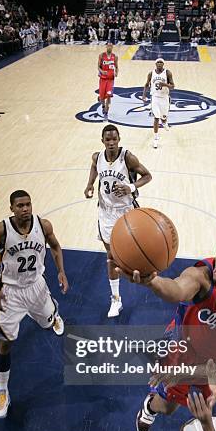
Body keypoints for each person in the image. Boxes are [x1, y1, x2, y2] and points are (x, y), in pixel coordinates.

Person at [118, 231, 216, 431]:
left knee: (204, 407)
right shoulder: (201, 276)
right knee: (168, 407)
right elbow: (176, 289)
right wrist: (152, 282)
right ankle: (149, 407)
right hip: (182, 349)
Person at [0, 190, 69, 419]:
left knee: (49, 322)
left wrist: (61, 272)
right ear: (11, 208)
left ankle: (53, 314)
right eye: (20, 205)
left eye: (28, 204)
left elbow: (56, 246)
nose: (25, 209)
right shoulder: (1, 230)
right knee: (5, 344)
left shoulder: (44, 225)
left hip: (37, 287)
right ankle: (3, 391)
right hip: (10, 293)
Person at [84, 125, 152, 318]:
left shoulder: (127, 157)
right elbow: (93, 167)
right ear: (102, 141)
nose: (111, 143)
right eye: (108, 140)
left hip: (126, 212)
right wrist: (89, 183)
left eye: (114, 139)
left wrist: (131, 186)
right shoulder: (97, 157)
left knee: (135, 250)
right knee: (111, 256)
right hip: (105, 213)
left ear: (119, 139)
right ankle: (116, 299)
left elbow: (148, 176)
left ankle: (145, 273)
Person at [142, 58, 175, 149]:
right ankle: (156, 138)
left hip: (164, 98)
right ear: (155, 64)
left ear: (163, 64)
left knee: (163, 117)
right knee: (156, 117)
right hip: (155, 98)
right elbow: (146, 84)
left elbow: (173, 86)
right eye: (158, 62)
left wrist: (165, 85)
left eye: (161, 62)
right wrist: (144, 95)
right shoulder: (151, 73)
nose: (159, 64)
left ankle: (164, 122)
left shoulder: (168, 73)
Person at [98, 41, 118, 121]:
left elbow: (116, 67)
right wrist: (101, 71)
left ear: (112, 47)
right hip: (103, 79)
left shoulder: (115, 56)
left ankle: (106, 114)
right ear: (106, 47)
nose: (109, 47)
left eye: (111, 46)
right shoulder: (101, 55)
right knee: (102, 97)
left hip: (110, 79)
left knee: (109, 96)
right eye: (108, 46)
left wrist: (116, 72)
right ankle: (103, 106)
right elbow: (98, 67)